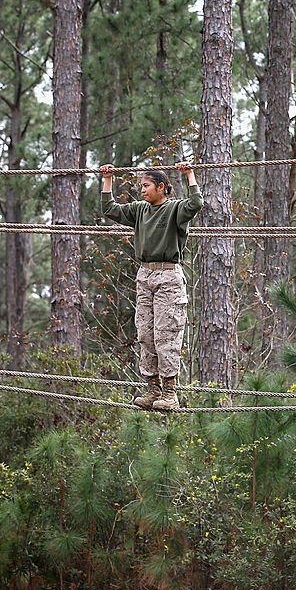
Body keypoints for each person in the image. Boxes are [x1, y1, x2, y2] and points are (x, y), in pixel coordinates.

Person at [100, 161, 203, 410]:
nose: (142, 190)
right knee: (145, 334)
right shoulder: (139, 210)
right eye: (141, 186)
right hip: (144, 276)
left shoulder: (175, 210)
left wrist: (189, 174)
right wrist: (107, 179)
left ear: (161, 187)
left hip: (168, 276)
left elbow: (196, 204)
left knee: (165, 334)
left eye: (146, 186)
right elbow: (109, 209)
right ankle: (152, 390)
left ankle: (170, 392)